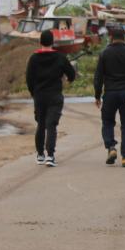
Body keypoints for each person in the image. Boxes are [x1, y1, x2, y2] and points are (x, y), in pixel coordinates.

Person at [93, 29, 125, 167]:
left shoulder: (104, 53)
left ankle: (111, 147)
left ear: (111, 38)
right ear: (124, 38)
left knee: (108, 122)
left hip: (110, 94)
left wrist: (97, 95)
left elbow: (98, 77)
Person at [25, 30, 76, 167]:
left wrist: (33, 93)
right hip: (55, 95)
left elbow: (29, 79)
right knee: (51, 125)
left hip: (39, 96)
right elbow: (71, 74)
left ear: (40, 42)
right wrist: (68, 80)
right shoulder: (60, 57)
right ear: (53, 42)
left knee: (41, 124)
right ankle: (50, 156)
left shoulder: (34, 58)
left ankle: (40, 155)